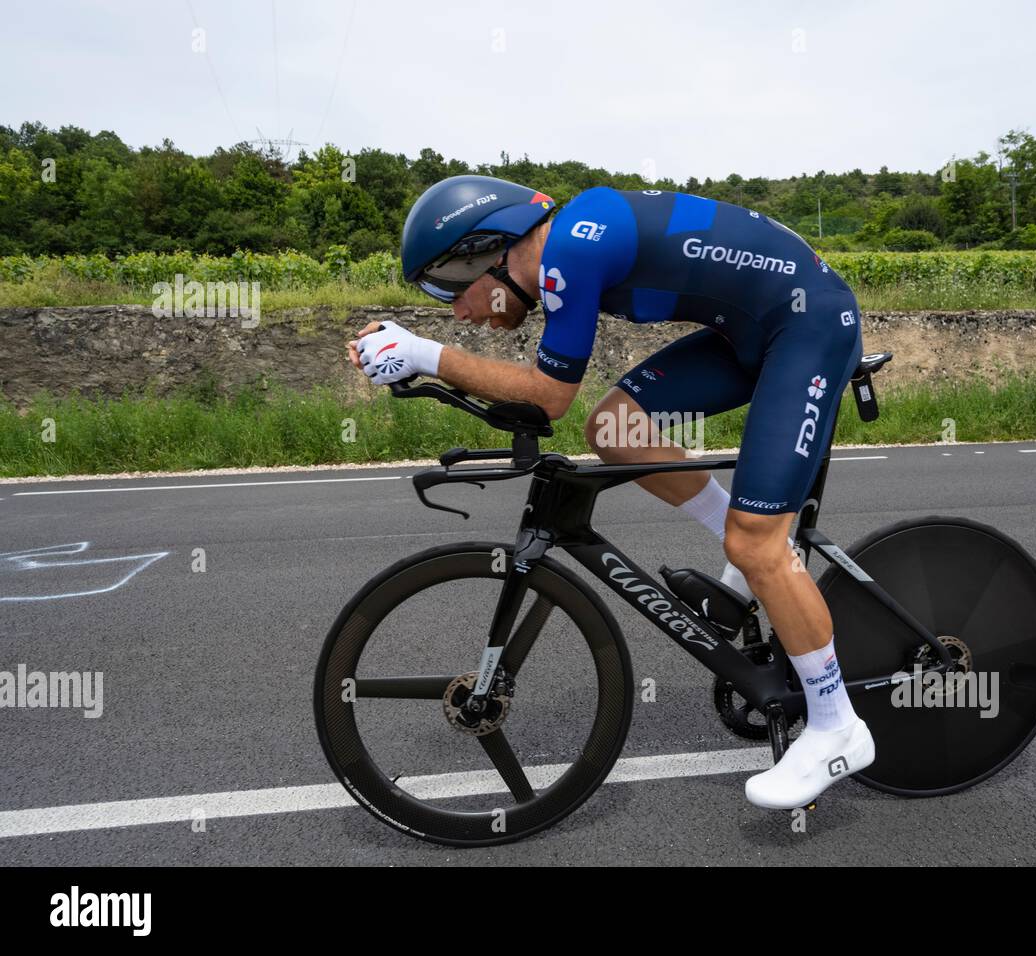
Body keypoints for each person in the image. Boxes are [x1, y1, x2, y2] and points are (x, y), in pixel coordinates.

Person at [347, 174, 874, 809]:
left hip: (809, 327)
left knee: (757, 542)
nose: (459, 314)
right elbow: (560, 407)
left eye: (453, 291)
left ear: (492, 252)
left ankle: (838, 724)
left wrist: (429, 356)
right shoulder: (572, 242)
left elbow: (548, 395)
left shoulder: (570, 252)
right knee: (613, 426)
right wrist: (428, 360)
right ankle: (744, 554)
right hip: (753, 331)